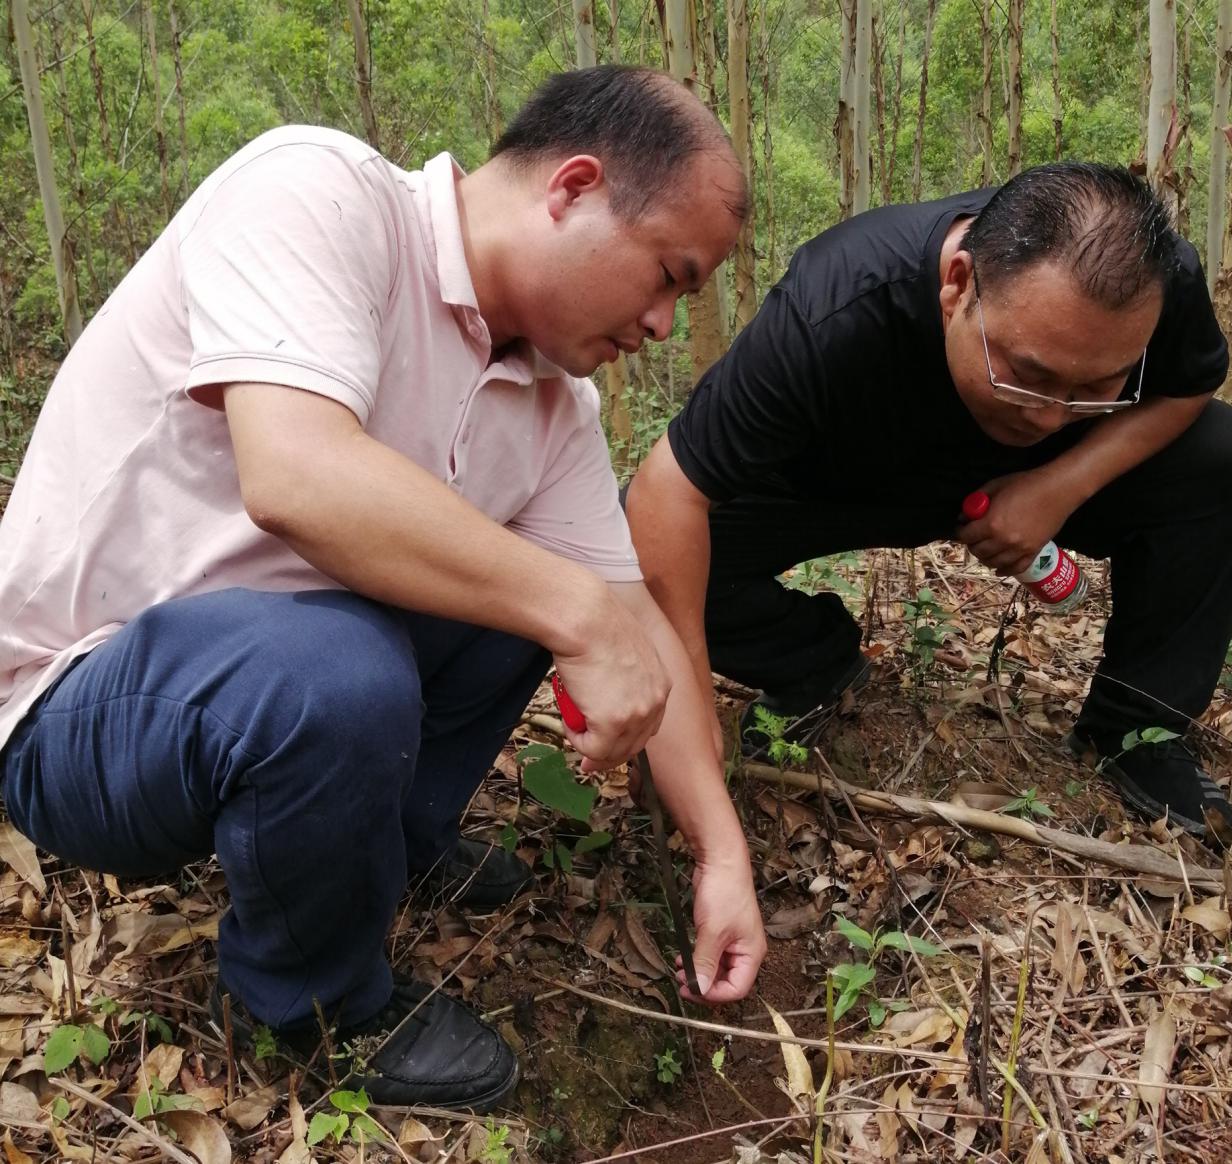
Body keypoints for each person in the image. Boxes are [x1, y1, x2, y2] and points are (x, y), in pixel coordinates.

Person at [0, 65, 766, 1112]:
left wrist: (721, 854)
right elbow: (297, 474)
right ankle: (309, 1002)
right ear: (573, 187)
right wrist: (575, 606)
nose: (666, 325)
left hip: (262, 679)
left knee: (515, 605)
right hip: (79, 703)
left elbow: (632, 628)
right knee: (370, 661)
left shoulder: (555, 407)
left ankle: (377, 851)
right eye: (670, 275)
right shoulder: (320, 193)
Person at [626, 162, 1232, 848]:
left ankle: (1137, 727)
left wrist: (1060, 484)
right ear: (957, 286)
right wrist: (682, 719)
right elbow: (667, 492)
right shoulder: (833, 306)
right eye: (1026, 374)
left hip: (1030, 480)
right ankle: (812, 660)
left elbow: (1191, 385)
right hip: (851, 480)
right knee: (643, 549)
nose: (1052, 414)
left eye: (1096, 385)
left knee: (1223, 456)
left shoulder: (1160, 286)